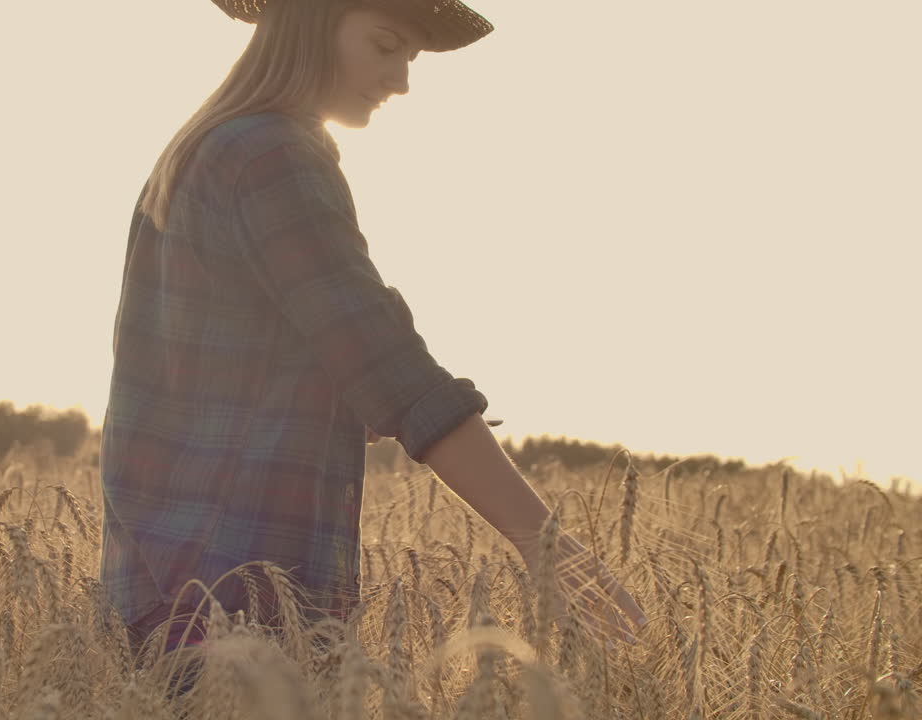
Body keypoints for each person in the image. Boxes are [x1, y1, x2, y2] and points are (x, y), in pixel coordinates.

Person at [99, 0, 647, 699]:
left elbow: (233, 371)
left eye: (410, 59)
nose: (401, 81)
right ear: (310, 21)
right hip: (239, 578)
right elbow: (389, 368)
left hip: (165, 571)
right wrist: (548, 546)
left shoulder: (204, 149)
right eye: (386, 46)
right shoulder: (271, 156)